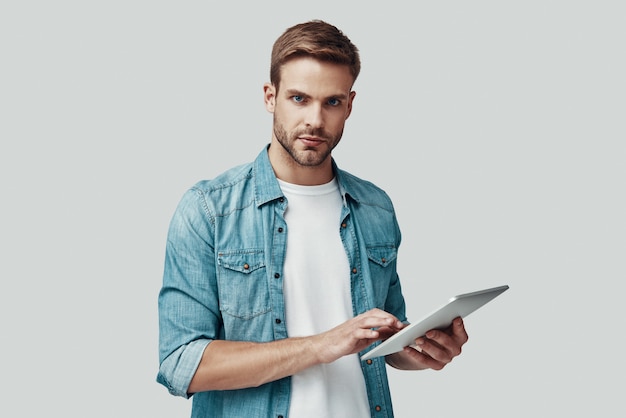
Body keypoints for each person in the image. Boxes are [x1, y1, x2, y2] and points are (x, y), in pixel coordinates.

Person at [157, 19, 469, 418]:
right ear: (270, 97)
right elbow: (181, 362)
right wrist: (320, 345)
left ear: (350, 104)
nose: (316, 121)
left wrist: (422, 352)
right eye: (299, 99)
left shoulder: (375, 208)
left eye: (332, 102)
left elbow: (382, 347)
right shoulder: (208, 210)